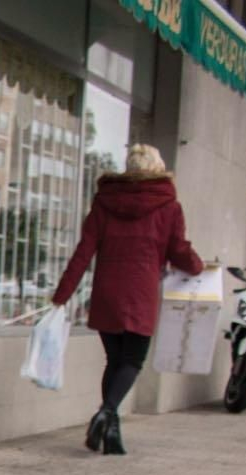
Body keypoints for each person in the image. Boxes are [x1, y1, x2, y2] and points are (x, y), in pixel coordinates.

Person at [53, 143, 204, 455]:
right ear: (157, 168)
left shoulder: (105, 201)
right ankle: (106, 412)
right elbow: (178, 249)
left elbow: (84, 251)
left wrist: (62, 294)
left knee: (115, 360)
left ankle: (110, 435)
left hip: (107, 292)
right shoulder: (169, 205)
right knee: (133, 360)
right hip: (141, 293)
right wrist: (197, 266)